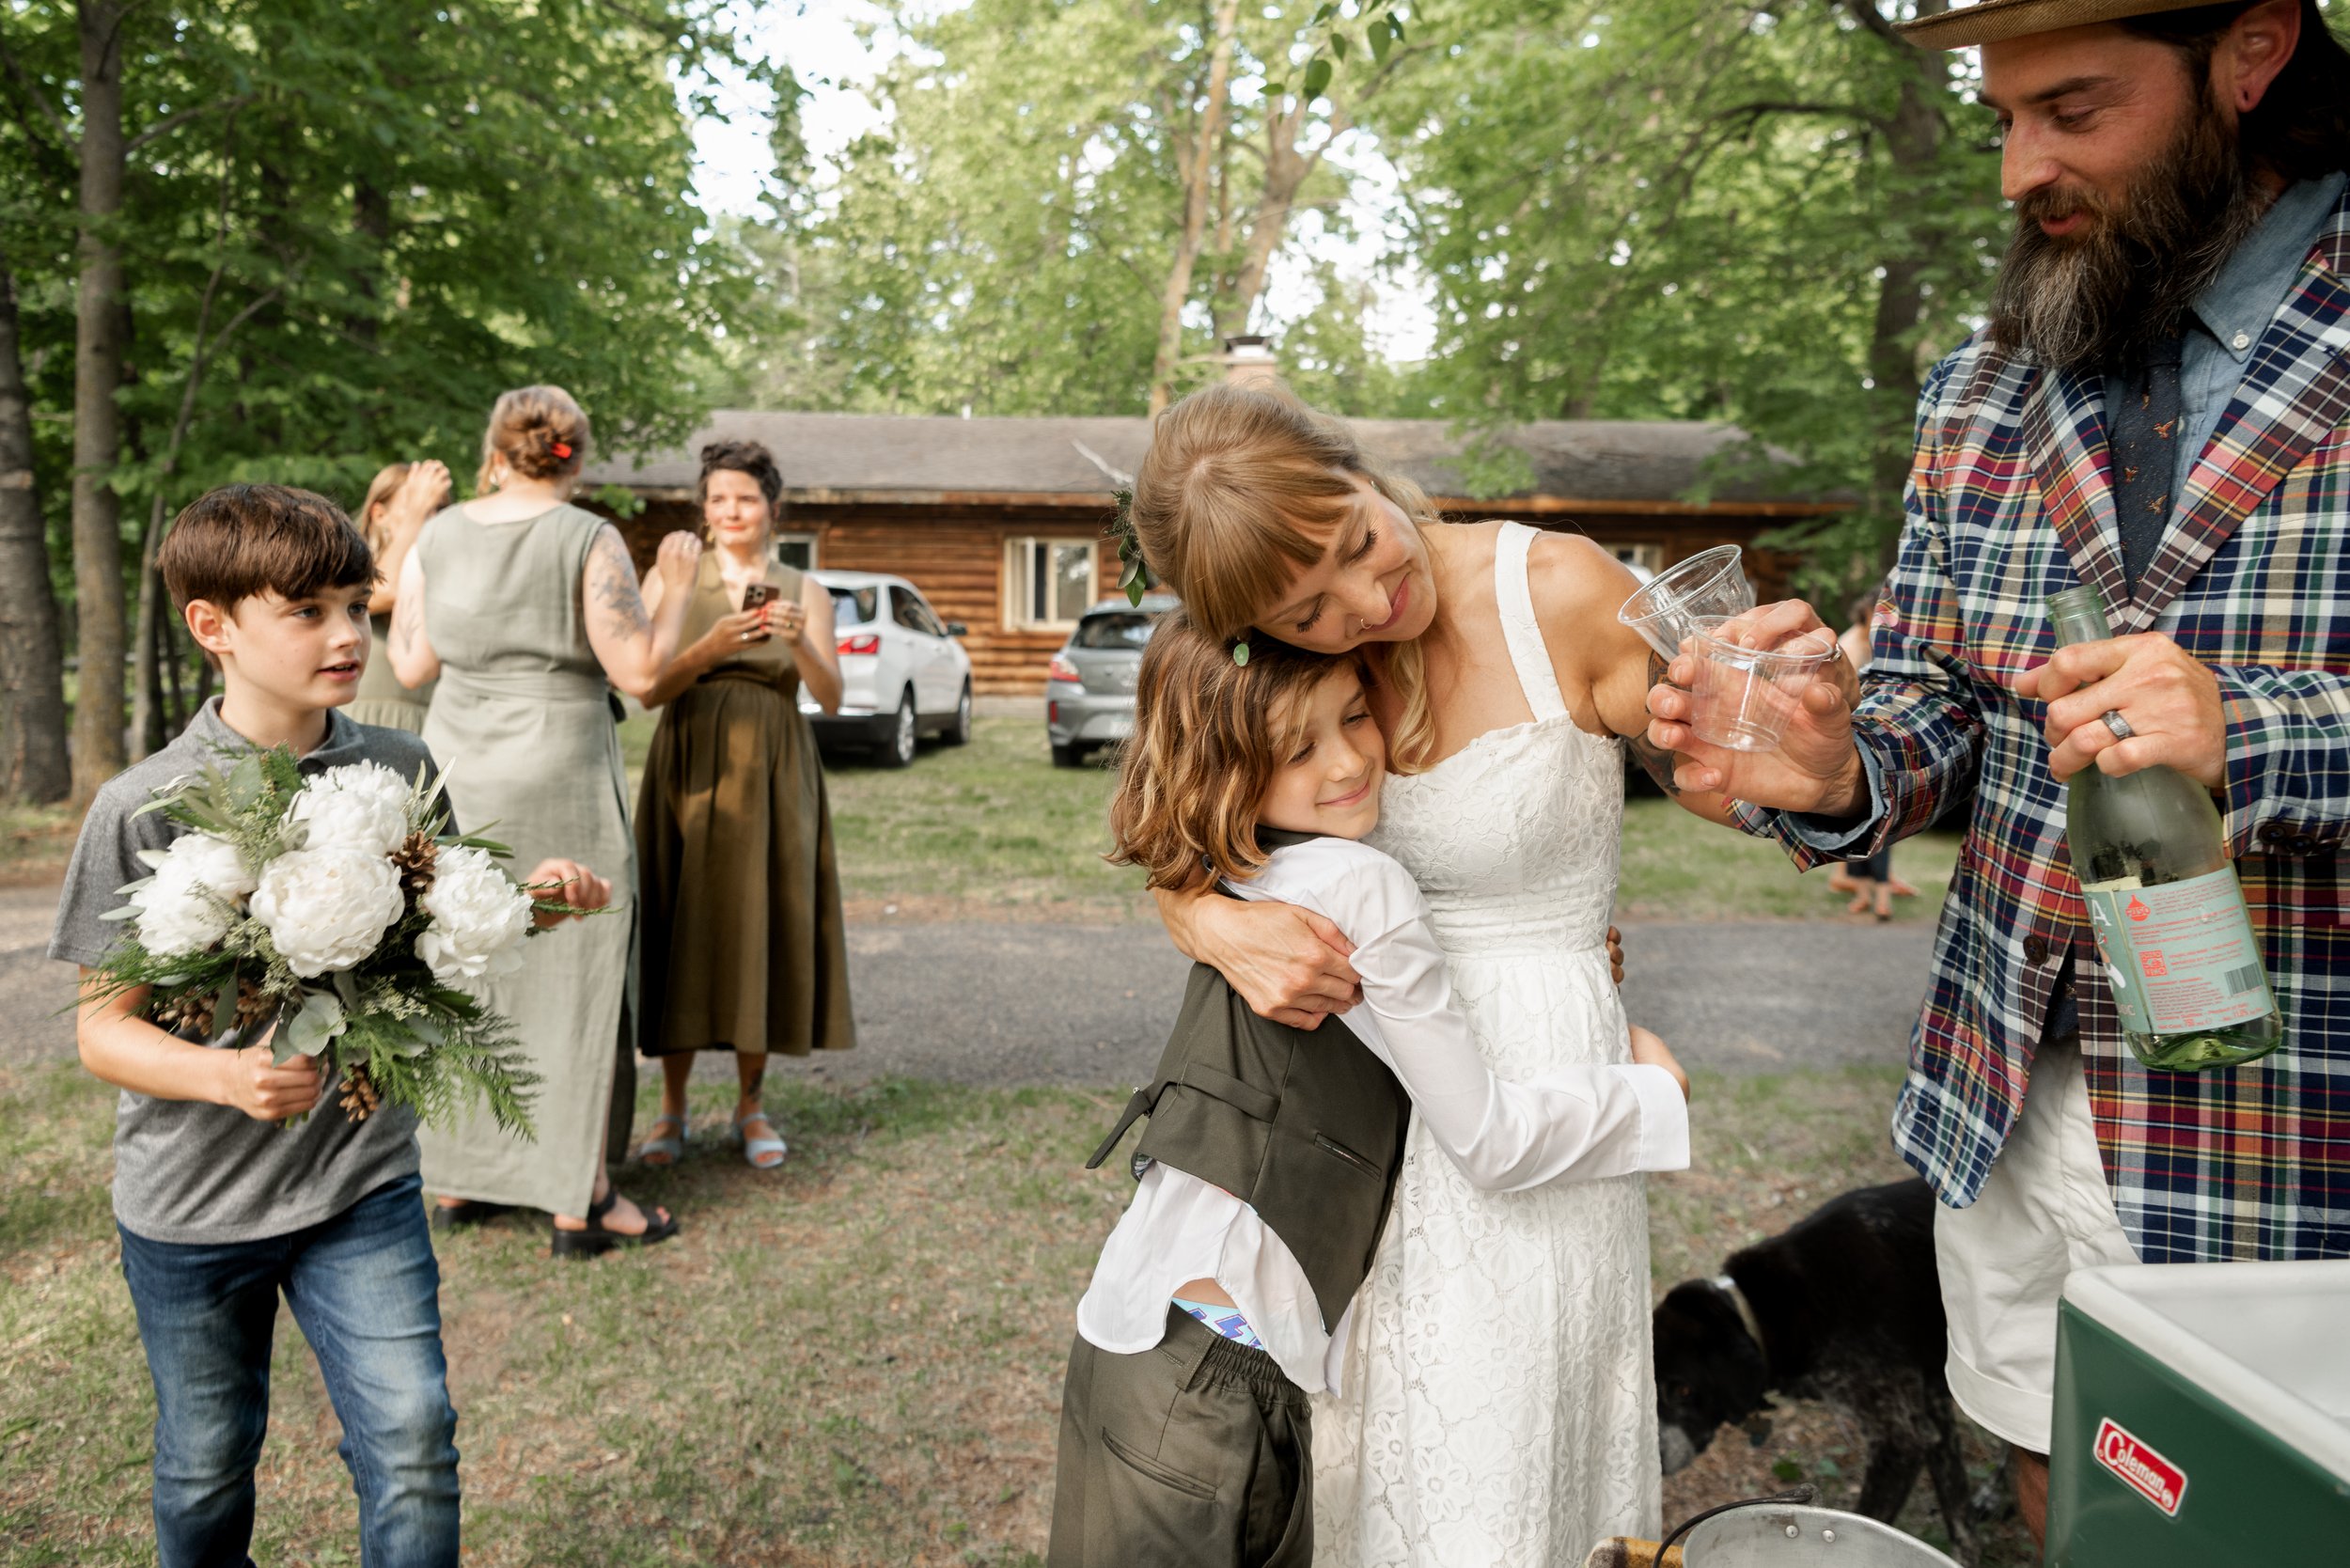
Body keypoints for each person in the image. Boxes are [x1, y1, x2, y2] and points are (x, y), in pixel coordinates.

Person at [1643, 0, 2350, 1545]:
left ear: (2253, 51)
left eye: (2074, 110)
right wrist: (1838, 763)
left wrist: (2259, 729)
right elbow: (1934, 692)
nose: (2020, 169)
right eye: (2002, 121)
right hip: (2014, 1098)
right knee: (2080, 1498)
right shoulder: (1995, 368)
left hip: (2301, 1127)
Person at [1126, 381, 1721, 1561]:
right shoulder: (1263, 661)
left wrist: (1793, 729)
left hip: (1538, 1081)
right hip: (1359, 1113)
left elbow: (1742, 786)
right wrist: (1201, 916)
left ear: (1354, 467)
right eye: (1310, 611)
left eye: (1358, 541)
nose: (1365, 599)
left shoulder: (1561, 590)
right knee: (1378, 1451)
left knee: (1514, 1451)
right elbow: (1186, 815)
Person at [1049, 615, 1689, 1568]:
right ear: (1229, 771)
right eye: (1295, 748)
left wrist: (1544, 963)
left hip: (1139, 1345)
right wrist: (1647, 1095)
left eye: (1355, 716)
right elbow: (1490, 1142)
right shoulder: (1358, 879)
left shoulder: (1249, 865)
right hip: (1215, 1384)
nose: (1347, 762)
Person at [49, 483, 610, 1567]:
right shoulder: (145, 805)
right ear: (213, 627)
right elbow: (100, 1034)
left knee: (411, 1436)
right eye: (306, 611)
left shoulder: (398, 769)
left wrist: (530, 905)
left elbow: (428, 939)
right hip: (194, 1210)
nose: (350, 633)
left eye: (356, 603)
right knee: (207, 1461)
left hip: (360, 1188)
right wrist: (224, 1078)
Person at [391, 384, 703, 1258]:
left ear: (496, 446)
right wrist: (675, 586)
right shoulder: (586, 536)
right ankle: (582, 1198)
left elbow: (411, 662)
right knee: (575, 970)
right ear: (576, 453)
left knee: (465, 961)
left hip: (458, 770)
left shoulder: (438, 535)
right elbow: (640, 671)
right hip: (558, 769)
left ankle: (460, 1176)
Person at [634, 440, 854, 1170]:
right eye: (718, 499)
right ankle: (670, 1111)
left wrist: (801, 648)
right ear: (704, 509)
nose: (731, 511)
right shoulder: (672, 575)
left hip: (773, 766)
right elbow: (647, 688)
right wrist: (713, 644)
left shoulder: (803, 589)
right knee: (682, 923)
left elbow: (830, 697)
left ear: (773, 509)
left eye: (746, 499)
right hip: (688, 761)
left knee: (761, 921)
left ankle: (751, 1107)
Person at [345, 459, 452, 733]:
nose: (430, 515)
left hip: (426, 728)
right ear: (379, 515)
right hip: (360, 724)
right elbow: (386, 590)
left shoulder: (448, 578)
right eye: (415, 503)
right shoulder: (349, 570)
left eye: (439, 508)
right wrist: (416, 518)